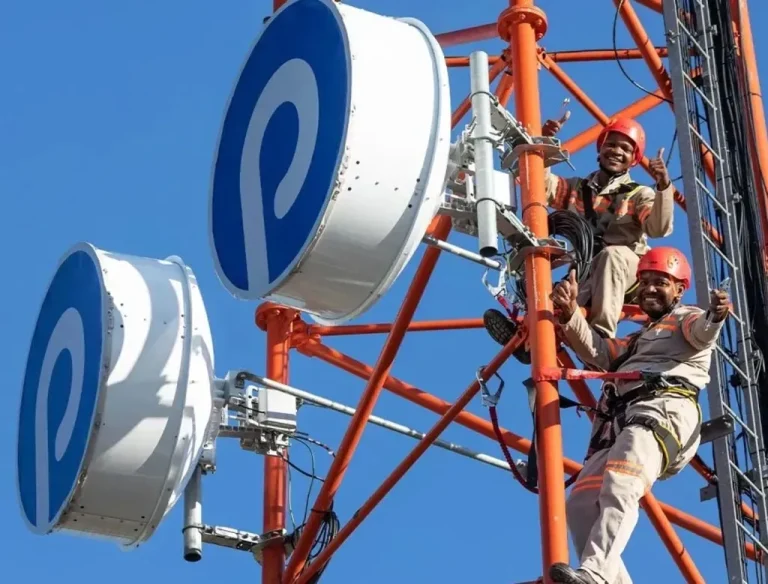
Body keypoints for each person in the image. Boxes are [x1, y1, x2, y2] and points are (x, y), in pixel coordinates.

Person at [546, 247, 730, 584]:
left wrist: (715, 317)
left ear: (679, 289)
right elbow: (603, 354)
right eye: (644, 281)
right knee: (581, 505)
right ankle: (604, 578)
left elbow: (702, 331)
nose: (649, 289)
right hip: (622, 421)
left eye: (660, 282)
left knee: (622, 481)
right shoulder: (638, 339)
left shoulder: (684, 318)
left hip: (661, 412)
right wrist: (571, 313)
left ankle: (595, 574)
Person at [484, 116, 675, 359]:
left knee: (611, 255)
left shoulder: (639, 194)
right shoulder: (579, 189)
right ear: (600, 149)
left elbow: (658, 228)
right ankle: (533, 335)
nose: (616, 151)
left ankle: (600, 337)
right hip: (588, 269)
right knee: (564, 291)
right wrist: (541, 148)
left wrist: (663, 187)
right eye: (611, 144)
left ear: (634, 159)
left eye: (626, 149)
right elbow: (540, 187)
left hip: (628, 274)